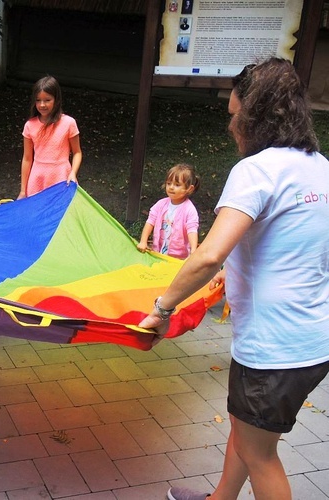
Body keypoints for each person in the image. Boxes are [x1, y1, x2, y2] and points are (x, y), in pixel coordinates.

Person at [139, 58, 329, 500]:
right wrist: (238, 269)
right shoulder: (320, 166)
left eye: (234, 114)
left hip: (272, 347)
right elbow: (294, 240)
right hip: (314, 339)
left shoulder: (256, 171)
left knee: (259, 453)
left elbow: (208, 254)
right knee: (250, 436)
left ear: (255, 115)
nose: (230, 126)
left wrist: (163, 308)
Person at [18, 75, 82, 199]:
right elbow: (27, 158)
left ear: (56, 99)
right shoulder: (30, 125)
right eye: (38, 100)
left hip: (62, 177)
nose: (42, 104)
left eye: (47, 100)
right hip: (37, 179)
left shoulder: (69, 123)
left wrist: (73, 173)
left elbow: (77, 152)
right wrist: (22, 190)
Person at [136, 163, 200, 259]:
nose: (171, 187)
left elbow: (192, 230)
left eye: (177, 185)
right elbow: (150, 222)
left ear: (189, 189)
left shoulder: (189, 210)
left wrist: (193, 250)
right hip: (158, 253)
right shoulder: (161, 204)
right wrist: (143, 241)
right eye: (169, 183)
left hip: (178, 258)